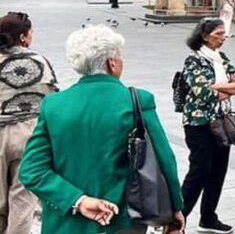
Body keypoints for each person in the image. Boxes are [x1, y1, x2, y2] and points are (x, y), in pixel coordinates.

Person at [20, 25, 184, 234]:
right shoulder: (137, 101)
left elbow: (31, 170)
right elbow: (164, 160)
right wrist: (175, 209)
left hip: (66, 223)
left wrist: (78, 200)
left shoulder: (53, 105)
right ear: (112, 62)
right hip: (123, 220)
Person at [181, 18, 235, 234]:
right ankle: (176, 220)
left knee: (218, 171)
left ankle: (208, 218)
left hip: (221, 121)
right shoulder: (194, 61)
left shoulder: (222, 58)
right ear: (205, 36)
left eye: (224, 33)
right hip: (198, 124)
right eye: (219, 33)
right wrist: (228, 87)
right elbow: (204, 93)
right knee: (199, 171)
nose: (223, 37)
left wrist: (222, 87)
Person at [0, 12, 58, 233]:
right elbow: (51, 101)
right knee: (23, 203)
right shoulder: (39, 62)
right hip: (29, 136)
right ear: (24, 37)